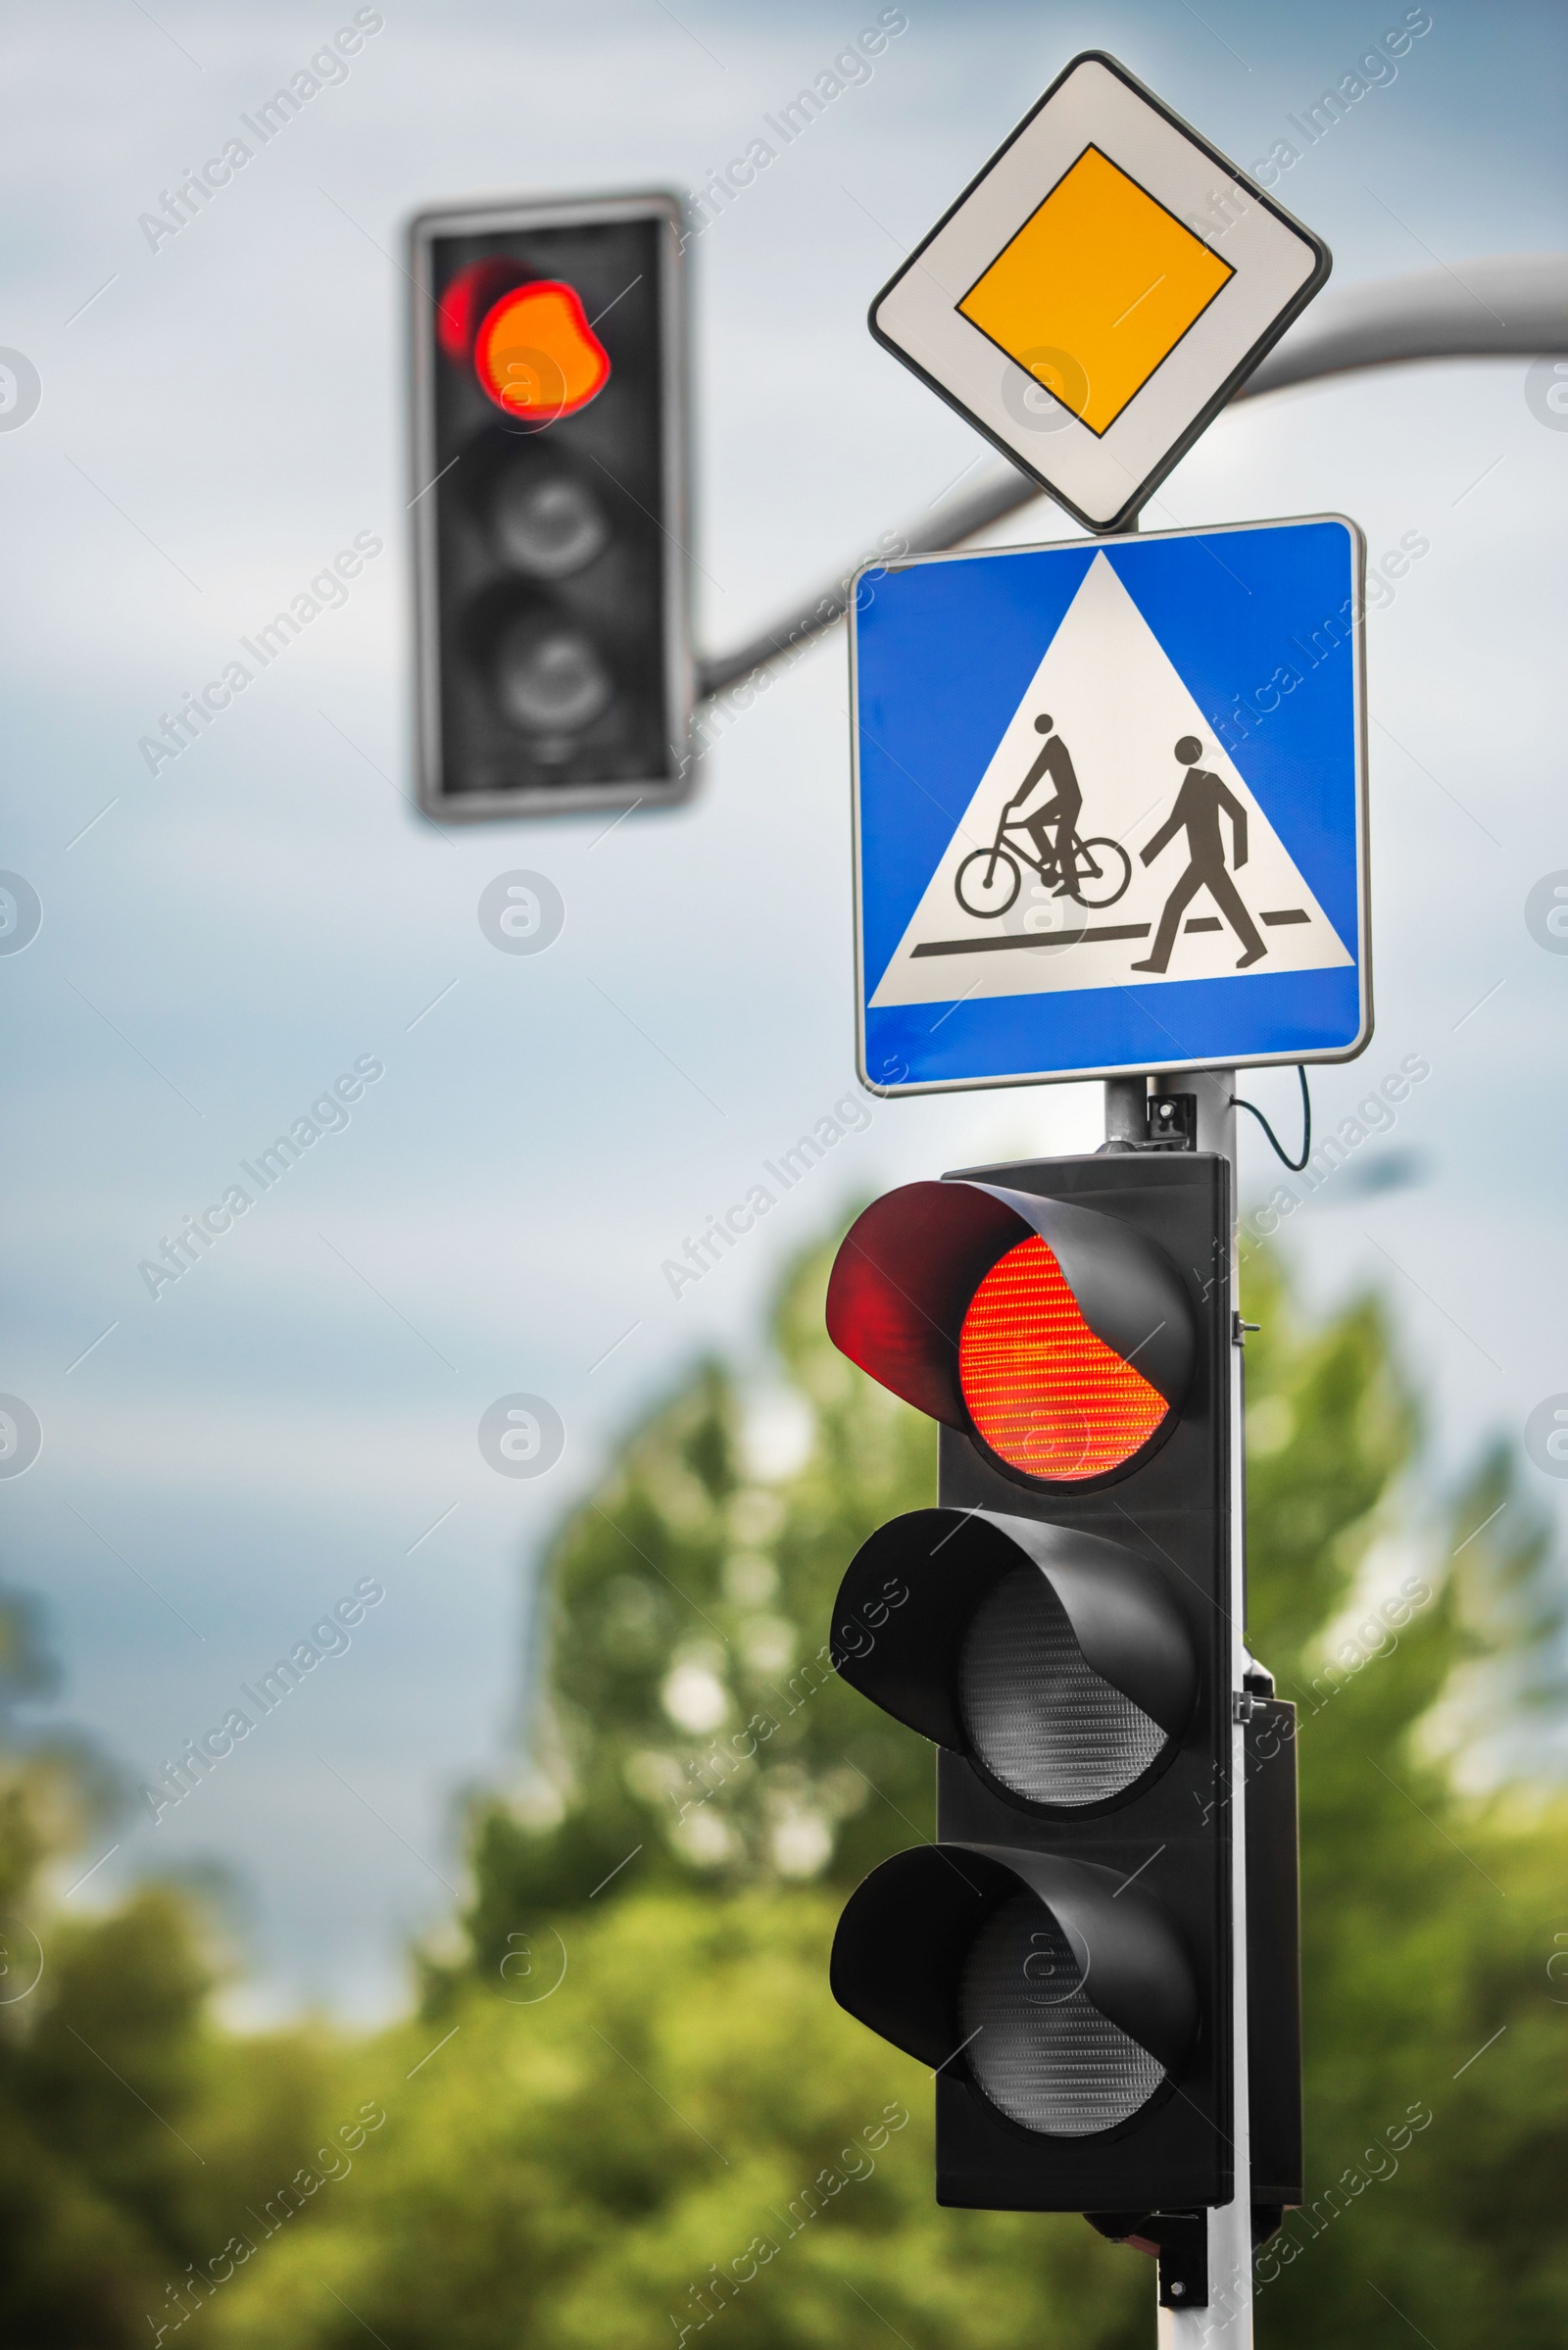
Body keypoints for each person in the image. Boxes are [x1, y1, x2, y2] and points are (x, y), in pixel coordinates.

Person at [1131, 736, 1266, 973]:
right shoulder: (1200, 779)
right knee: (1229, 903)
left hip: (1207, 859)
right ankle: (1255, 947)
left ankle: (1159, 962)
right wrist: (1148, 854)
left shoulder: (1200, 781)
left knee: (1174, 905)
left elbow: (1237, 814)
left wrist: (1241, 857)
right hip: (1207, 858)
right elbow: (1178, 821)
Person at [1003, 714, 1082, 898]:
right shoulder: (1052, 745)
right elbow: (1036, 773)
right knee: (1042, 827)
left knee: (1058, 838)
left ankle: (1063, 872)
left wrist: (1018, 801)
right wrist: (1018, 801)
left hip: (1069, 799)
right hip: (1066, 798)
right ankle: (1053, 860)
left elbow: (1035, 774)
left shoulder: (1053, 747)